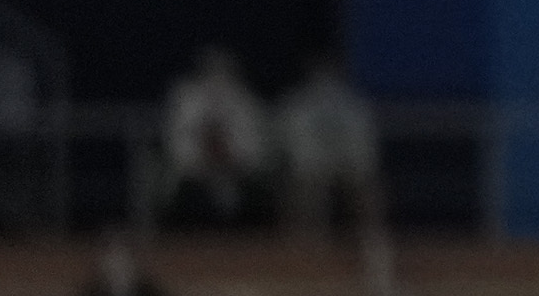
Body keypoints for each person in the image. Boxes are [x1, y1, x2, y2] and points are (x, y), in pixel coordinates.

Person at [158, 45, 272, 228]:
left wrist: (230, 156)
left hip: (234, 168)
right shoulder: (186, 97)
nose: (217, 76)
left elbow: (254, 143)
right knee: (187, 195)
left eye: (222, 70)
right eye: (211, 69)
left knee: (246, 196)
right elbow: (176, 138)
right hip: (196, 169)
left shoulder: (245, 99)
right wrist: (203, 157)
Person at [275, 55, 379, 241]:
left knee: (367, 187)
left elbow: (363, 148)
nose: (324, 80)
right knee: (304, 186)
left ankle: (371, 238)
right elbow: (294, 148)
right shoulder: (297, 104)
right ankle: (304, 240)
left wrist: (354, 168)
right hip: (313, 166)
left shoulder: (353, 106)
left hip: (347, 165)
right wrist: (314, 168)